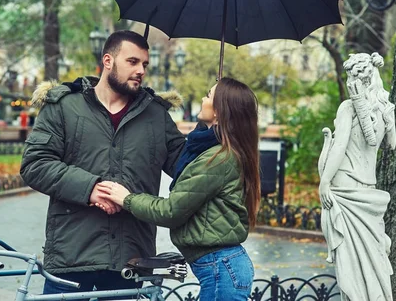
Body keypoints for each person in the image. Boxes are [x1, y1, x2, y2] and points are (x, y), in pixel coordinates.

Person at [20, 30, 186, 295]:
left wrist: (210, 132)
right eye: (132, 62)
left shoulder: (156, 115)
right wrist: (90, 188)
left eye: (144, 64)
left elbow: (188, 169)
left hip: (131, 259)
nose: (141, 70)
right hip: (71, 255)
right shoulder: (63, 106)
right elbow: (34, 164)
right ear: (108, 61)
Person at [97, 77, 261, 301]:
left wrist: (127, 198)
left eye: (208, 95)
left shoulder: (218, 159)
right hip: (221, 267)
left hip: (221, 270)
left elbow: (171, 211)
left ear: (219, 112)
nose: (203, 99)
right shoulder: (214, 151)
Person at [318, 52, 395, 301]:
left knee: (351, 264)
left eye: (352, 76)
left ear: (358, 78)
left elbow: (339, 146)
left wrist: (325, 181)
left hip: (345, 186)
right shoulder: (385, 106)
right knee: (374, 260)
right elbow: (391, 143)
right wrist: (386, 119)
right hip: (369, 188)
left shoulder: (349, 107)